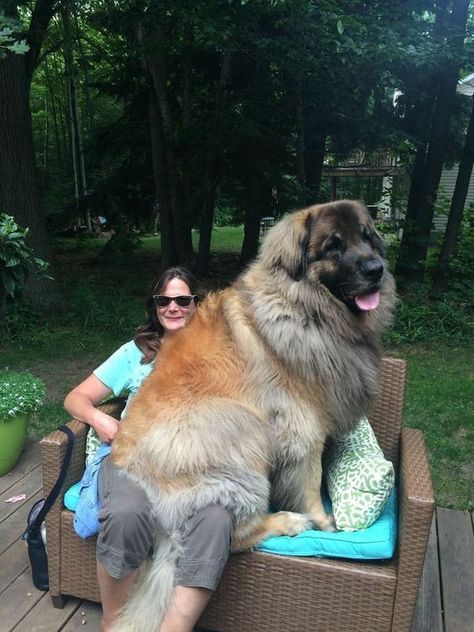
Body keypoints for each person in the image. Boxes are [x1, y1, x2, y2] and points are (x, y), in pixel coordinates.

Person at [64, 267, 232, 632]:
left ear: (195, 304)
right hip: (135, 457)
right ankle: (114, 623)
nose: (172, 307)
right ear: (154, 305)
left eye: (182, 300)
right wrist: (98, 418)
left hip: (196, 467)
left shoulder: (218, 353)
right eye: (163, 300)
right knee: (127, 512)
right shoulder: (135, 353)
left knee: (217, 518)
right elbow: (75, 398)